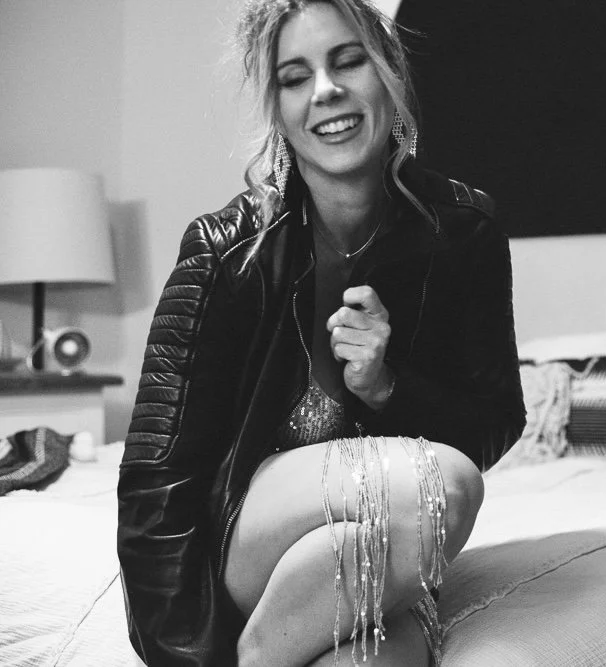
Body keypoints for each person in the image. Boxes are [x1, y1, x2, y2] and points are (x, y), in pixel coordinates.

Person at [116, 1, 526, 665]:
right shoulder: (227, 252)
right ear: (278, 109)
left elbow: (497, 418)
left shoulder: (464, 233)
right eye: (294, 76)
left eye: (346, 61)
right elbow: (156, 481)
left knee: (376, 659)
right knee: (442, 484)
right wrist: (184, 654)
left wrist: (388, 385)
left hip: (385, 551)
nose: (325, 91)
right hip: (246, 541)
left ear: (389, 71)